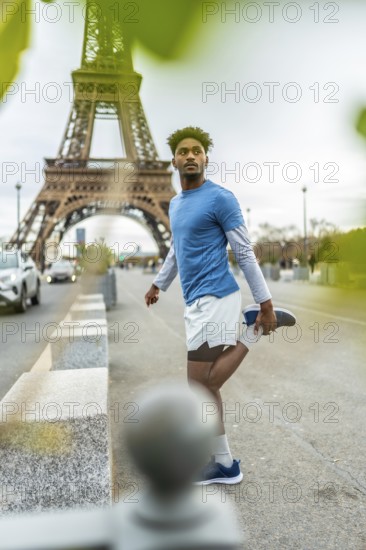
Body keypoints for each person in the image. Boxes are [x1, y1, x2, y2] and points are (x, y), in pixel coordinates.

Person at [144, 127, 296, 485]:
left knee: (200, 386)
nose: (191, 156)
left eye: (198, 150)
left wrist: (266, 303)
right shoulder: (176, 203)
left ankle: (254, 329)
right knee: (204, 387)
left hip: (217, 295)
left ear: (206, 159)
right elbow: (176, 251)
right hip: (195, 301)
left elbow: (243, 252)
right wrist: (157, 284)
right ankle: (225, 462)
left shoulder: (221, 199)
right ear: (174, 160)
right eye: (184, 151)